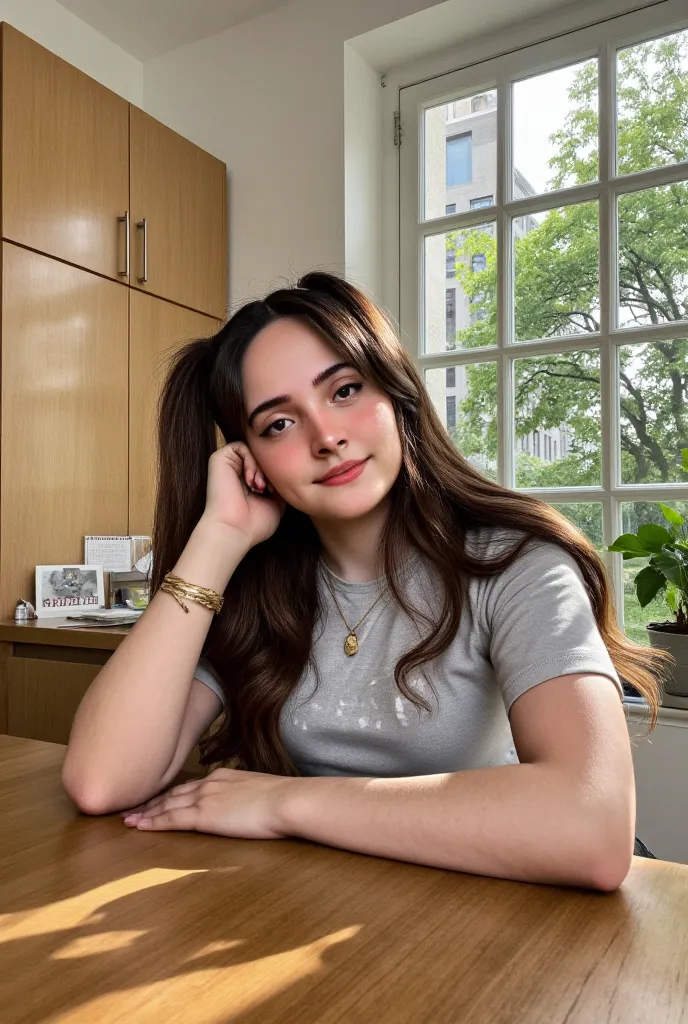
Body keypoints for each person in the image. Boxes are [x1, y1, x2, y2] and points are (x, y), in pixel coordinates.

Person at [62, 272, 667, 891]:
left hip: (496, 915)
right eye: (277, 425)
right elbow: (102, 780)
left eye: (345, 390)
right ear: (251, 460)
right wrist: (218, 537)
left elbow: (592, 827)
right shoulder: (253, 588)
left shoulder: (518, 566)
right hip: (317, 904)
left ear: (395, 394)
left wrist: (284, 805)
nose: (326, 437)